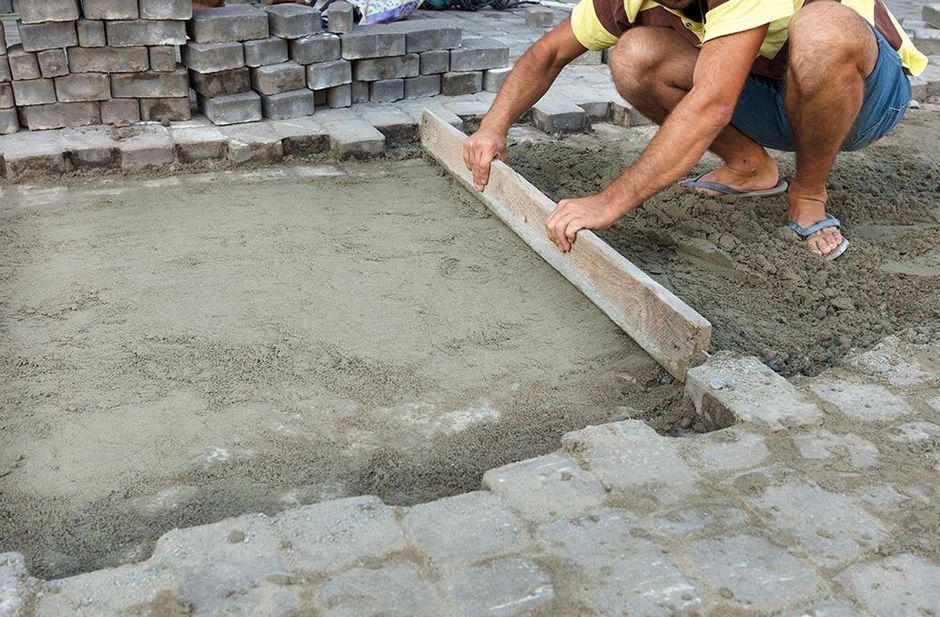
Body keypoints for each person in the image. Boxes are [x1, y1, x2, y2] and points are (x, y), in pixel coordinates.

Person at [463, 0, 927, 259]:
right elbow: (549, 53)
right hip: (774, 93)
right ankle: (749, 166)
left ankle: (808, 193)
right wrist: (493, 127)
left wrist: (608, 202)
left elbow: (711, 105)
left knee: (823, 28)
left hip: (864, 100)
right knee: (636, 54)